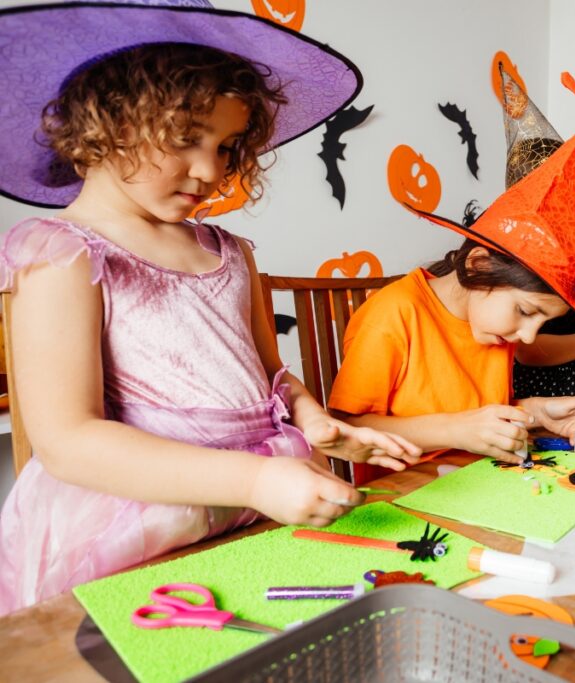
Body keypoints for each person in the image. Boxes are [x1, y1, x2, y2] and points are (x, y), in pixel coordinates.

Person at [0, 0, 419, 615]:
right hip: (134, 527)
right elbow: (67, 440)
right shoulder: (62, 254)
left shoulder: (229, 250)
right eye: (185, 140)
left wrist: (313, 420)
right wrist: (252, 479)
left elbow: (270, 376)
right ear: (102, 125)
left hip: (248, 507)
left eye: (226, 147)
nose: (210, 170)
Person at [328, 70, 575, 463]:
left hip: (483, 482)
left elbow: (483, 413)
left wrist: (536, 413)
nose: (530, 337)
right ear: (480, 264)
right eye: (526, 312)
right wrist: (456, 430)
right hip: (408, 497)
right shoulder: (394, 315)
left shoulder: (493, 326)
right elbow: (344, 431)